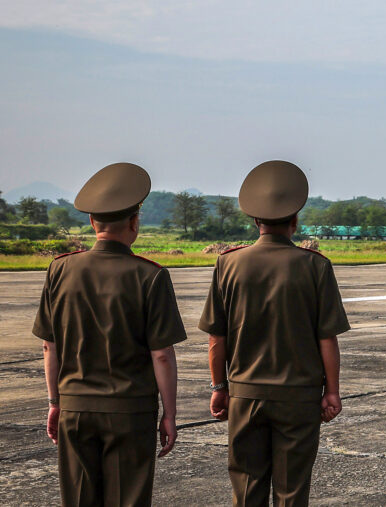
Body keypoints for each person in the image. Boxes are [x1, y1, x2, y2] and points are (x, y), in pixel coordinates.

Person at [32, 162, 187, 506]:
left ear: (92, 223)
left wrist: (55, 402)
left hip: (75, 407)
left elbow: (49, 345)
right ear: (134, 223)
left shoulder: (60, 269)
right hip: (129, 412)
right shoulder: (150, 276)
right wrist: (170, 415)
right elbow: (161, 354)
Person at [198, 160, 350, 507]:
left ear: (255, 221)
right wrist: (333, 392)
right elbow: (327, 338)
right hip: (298, 396)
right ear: (295, 220)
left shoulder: (228, 263)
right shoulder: (315, 266)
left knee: (247, 489)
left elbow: (216, 339)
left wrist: (219, 387)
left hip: (245, 394)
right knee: (292, 490)